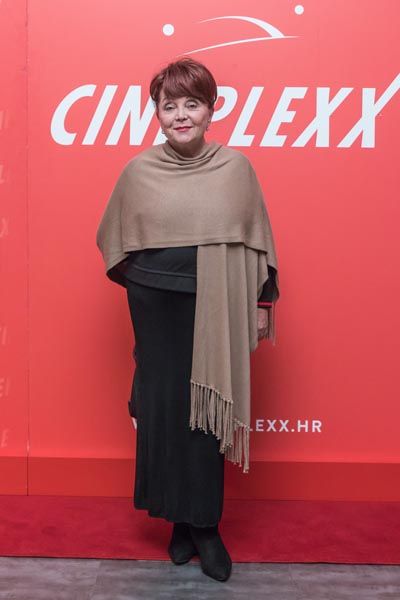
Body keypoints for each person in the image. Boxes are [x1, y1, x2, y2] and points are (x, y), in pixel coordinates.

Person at [96, 57, 280, 583]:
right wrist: (144, 286)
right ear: (157, 114)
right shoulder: (139, 171)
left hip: (214, 303)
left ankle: (205, 525)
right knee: (163, 413)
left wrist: (262, 304)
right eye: (169, 105)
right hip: (155, 306)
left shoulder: (235, 169)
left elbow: (258, 240)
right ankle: (176, 519)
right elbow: (115, 240)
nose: (180, 115)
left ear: (210, 111)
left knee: (206, 415)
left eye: (191, 104)